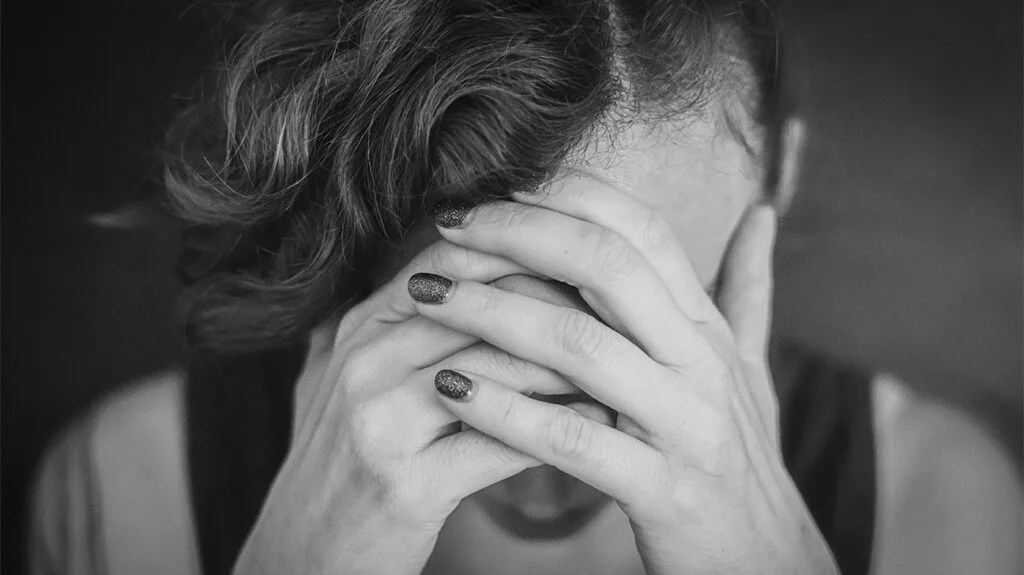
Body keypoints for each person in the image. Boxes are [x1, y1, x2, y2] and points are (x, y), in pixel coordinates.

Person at [28, 0, 1021, 574]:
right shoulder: (131, 484)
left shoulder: (936, 501)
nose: (554, 411)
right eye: (476, 306)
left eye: (636, 303)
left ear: (781, 178)